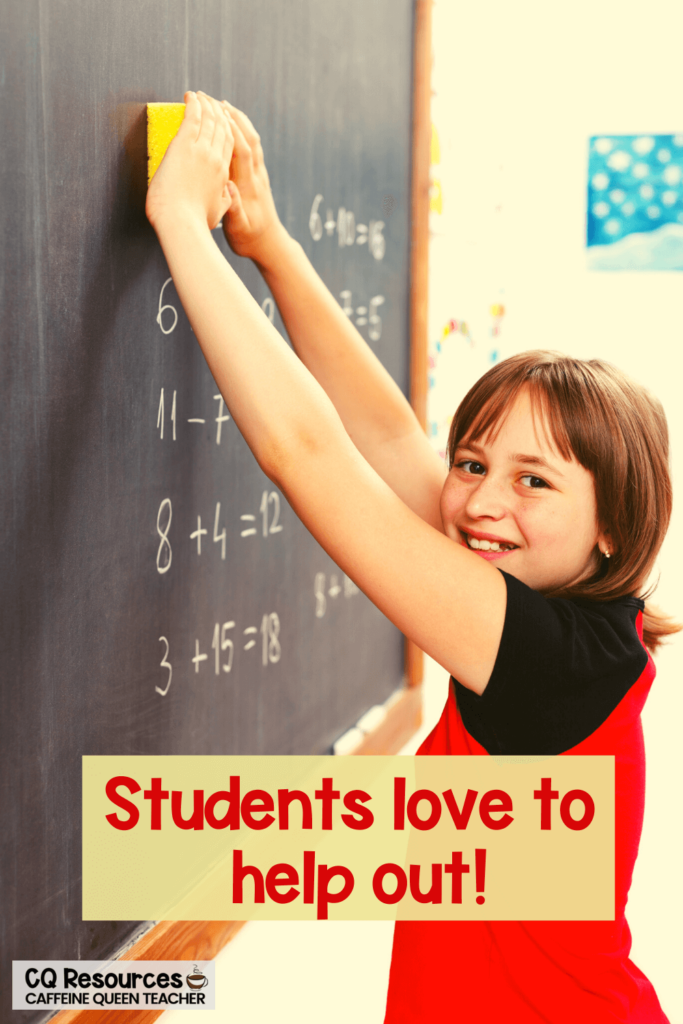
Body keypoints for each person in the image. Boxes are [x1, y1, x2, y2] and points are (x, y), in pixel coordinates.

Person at [146, 91, 677, 1022]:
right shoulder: (571, 623)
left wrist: (181, 225)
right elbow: (390, 441)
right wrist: (269, 245)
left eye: (534, 482)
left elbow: (310, 459)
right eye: (473, 462)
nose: (480, 501)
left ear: (612, 523)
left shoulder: (550, 660)